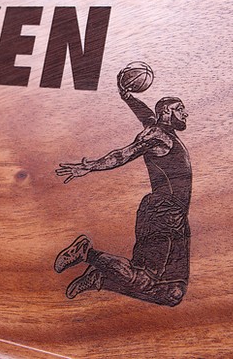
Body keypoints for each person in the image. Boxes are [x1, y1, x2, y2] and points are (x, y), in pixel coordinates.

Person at [54, 82, 192, 307]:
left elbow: (147, 115)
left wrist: (128, 97)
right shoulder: (157, 135)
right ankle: (87, 253)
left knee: (173, 293)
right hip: (163, 212)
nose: (185, 113)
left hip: (177, 217)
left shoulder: (161, 131)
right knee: (145, 278)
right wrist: (91, 166)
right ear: (167, 111)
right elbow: (122, 155)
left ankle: (100, 279)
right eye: (180, 108)